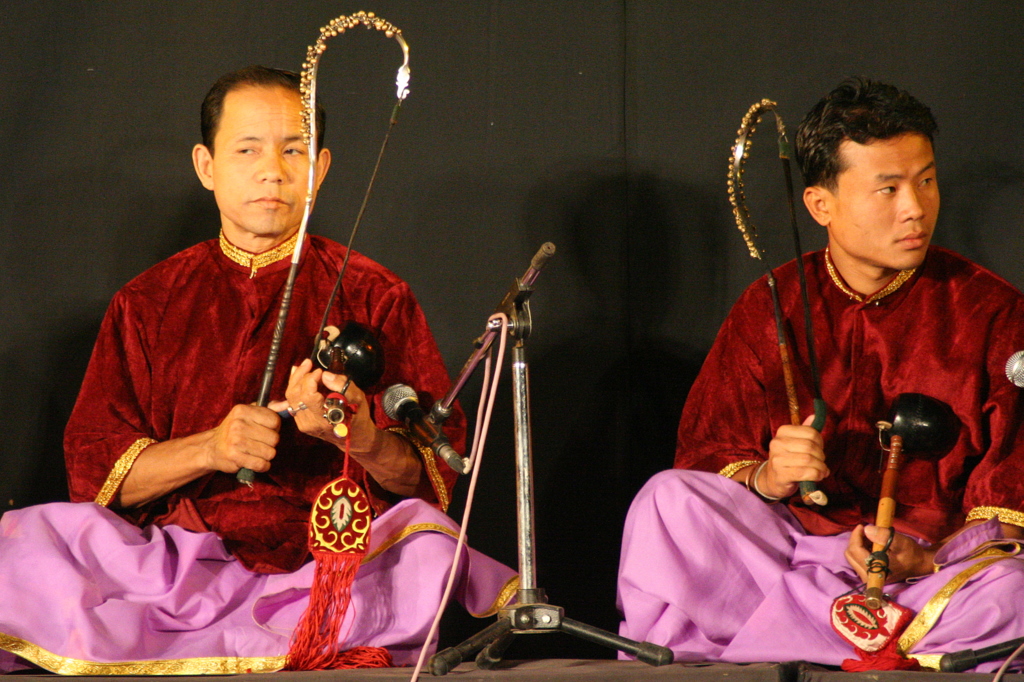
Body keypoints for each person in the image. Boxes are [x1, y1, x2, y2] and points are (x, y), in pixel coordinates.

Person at [0, 66, 516, 674]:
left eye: (292, 150)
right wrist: (211, 449)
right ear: (206, 166)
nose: (272, 170)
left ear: (319, 169)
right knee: (27, 539)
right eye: (247, 149)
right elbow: (95, 477)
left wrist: (362, 438)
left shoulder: (378, 295)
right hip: (178, 570)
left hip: (331, 572)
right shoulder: (147, 301)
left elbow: (435, 480)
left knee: (427, 545)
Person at [617, 78, 1024, 671]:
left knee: (1011, 591)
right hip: (788, 553)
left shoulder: (992, 312)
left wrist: (927, 557)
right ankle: (870, 639)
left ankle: (793, 633)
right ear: (820, 205)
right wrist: (765, 477)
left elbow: (1010, 496)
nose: (915, 207)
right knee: (666, 502)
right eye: (887, 189)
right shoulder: (771, 305)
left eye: (927, 180)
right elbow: (706, 453)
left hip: (930, 569)